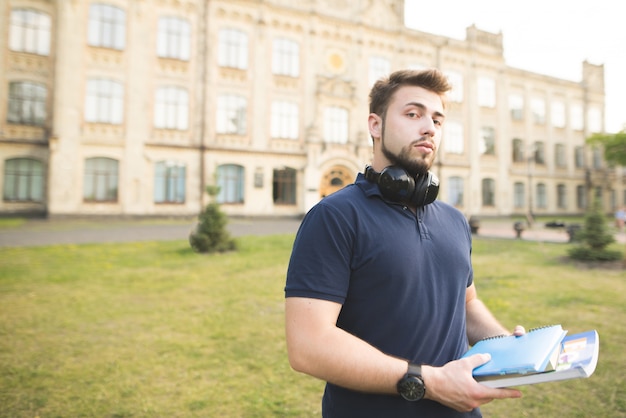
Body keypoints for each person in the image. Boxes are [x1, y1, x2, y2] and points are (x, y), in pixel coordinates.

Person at [284, 69, 525, 417]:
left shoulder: (454, 220)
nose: (429, 127)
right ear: (375, 125)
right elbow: (308, 346)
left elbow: (468, 305)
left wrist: (507, 347)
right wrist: (428, 381)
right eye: (413, 114)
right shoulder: (334, 216)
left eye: (437, 120)